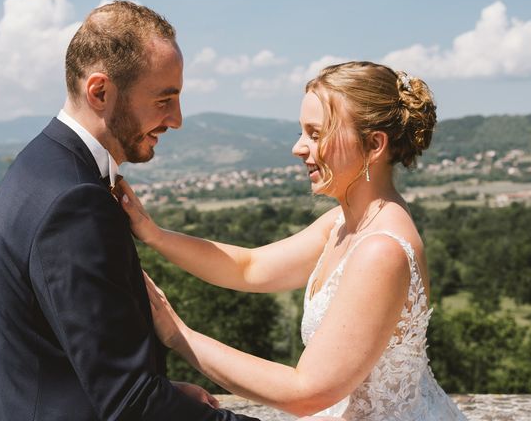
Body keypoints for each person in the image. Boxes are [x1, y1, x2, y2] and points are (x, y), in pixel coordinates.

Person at [119, 61, 468, 420]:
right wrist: (154, 235)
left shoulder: (381, 250)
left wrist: (179, 335)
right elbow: (249, 268)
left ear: (374, 144)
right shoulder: (343, 223)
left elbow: (306, 392)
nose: (298, 148)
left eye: (316, 134)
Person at [0, 1, 259, 421]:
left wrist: (165, 390)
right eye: (164, 99)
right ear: (100, 91)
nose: (176, 119)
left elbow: (59, 351)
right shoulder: (74, 200)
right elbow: (130, 403)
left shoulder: (42, 164)